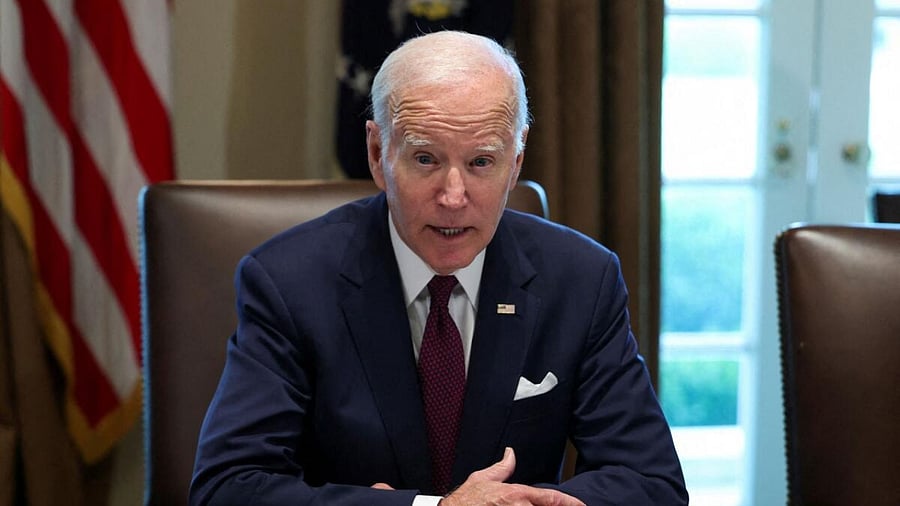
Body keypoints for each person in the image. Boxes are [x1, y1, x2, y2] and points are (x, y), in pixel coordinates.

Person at [189, 31, 687, 505]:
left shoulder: (581, 279)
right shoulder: (289, 282)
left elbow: (651, 482)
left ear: (515, 163)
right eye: (425, 159)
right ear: (378, 154)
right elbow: (227, 486)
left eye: (481, 163)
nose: (453, 197)